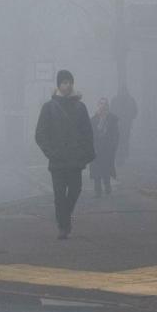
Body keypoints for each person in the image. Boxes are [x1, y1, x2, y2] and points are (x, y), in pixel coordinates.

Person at [35, 70, 95, 239]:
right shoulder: (49, 107)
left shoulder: (80, 107)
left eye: (69, 82)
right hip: (58, 161)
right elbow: (40, 134)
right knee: (60, 195)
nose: (67, 85)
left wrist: (87, 154)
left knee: (75, 190)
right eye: (64, 82)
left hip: (75, 159)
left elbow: (87, 132)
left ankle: (64, 217)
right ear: (58, 85)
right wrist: (51, 153)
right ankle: (63, 226)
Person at [90, 98, 119, 197]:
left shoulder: (112, 119)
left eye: (105, 104)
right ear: (98, 106)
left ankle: (107, 186)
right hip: (96, 149)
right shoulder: (93, 120)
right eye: (101, 104)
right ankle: (97, 189)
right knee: (96, 170)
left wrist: (113, 146)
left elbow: (116, 134)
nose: (103, 106)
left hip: (107, 148)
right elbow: (90, 134)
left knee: (106, 168)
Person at [110, 85, 138, 166]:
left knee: (122, 141)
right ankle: (120, 156)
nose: (122, 93)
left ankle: (121, 156)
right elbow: (135, 111)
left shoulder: (116, 100)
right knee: (120, 141)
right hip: (120, 125)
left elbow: (135, 111)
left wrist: (130, 118)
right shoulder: (129, 100)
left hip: (124, 125)